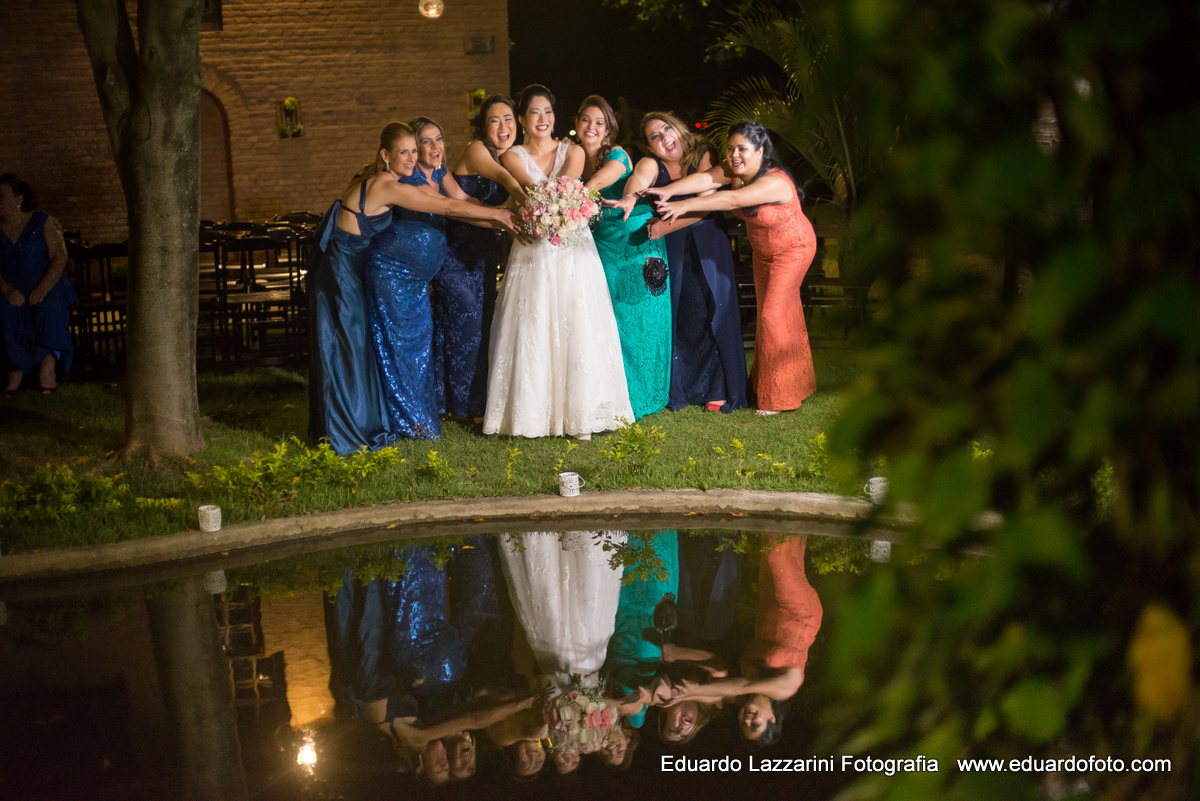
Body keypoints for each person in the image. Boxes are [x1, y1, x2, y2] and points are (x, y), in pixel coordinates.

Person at [484, 84, 634, 440]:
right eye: (534, 112)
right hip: (534, 246)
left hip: (574, 246)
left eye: (548, 112)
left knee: (578, 321)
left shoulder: (575, 151)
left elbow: (567, 183)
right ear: (522, 119)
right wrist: (550, 208)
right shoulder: (512, 157)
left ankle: (583, 412)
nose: (542, 119)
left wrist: (558, 206)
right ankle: (533, 415)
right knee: (534, 323)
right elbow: (530, 192)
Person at [644, 120, 816, 414]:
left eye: (743, 149)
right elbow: (704, 181)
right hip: (764, 252)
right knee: (779, 317)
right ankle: (797, 382)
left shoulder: (773, 182)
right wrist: (667, 191)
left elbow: (732, 198)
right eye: (731, 148)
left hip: (793, 249)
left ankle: (779, 399)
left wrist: (682, 206)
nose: (735, 155)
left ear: (761, 151)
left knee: (773, 316)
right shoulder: (735, 171)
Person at [362, 122, 520, 439]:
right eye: (424, 143)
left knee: (418, 347)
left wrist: (506, 213)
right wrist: (501, 218)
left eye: (439, 139)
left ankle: (421, 414)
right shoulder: (407, 178)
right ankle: (406, 421)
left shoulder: (439, 171)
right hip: (394, 274)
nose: (435, 147)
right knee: (402, 348)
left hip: (418, 279)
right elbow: (450, 207)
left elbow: (462, 200)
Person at [605, 112, 748, 414]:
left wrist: (666, 226)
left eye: (666, 129)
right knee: (683, 316)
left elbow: (706, 204)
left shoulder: (703, 151)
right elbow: (638, 180)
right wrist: (630, 198)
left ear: (678, 128)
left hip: (707, 242)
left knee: (712, 310)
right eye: (654, 137)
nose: (664, 138)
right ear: (650, 147)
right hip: (674, 249)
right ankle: (682, 389)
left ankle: (718, 388)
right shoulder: (651, 165)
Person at [666, 534, 823, 747]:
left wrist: (691, 694)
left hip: (769, 602)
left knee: (776, 548)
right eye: (755, 725)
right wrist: (695, 692)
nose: (747, 719)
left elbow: (729, 690)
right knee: (777, 553)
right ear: (772, 718)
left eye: (743, 724)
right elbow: (744, 686)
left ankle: (798, 506)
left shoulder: (752, 676)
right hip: (799, 613)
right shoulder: (786, 688)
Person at [577, 96, 670, 420]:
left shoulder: (617, 157)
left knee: (640, 320)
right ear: (576, 124)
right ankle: (616, 393)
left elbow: (598, 184)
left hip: (633, 241)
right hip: (601, 245)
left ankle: (646, 396)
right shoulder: (574, 160)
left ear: (609, 130)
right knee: (611, 321)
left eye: (599, 122)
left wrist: (565, 198)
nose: (592, 127)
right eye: (586, 120)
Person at [435, 95, 525, 423]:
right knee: (466, 321)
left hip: (485, 251)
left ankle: (473, 402)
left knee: (483, 324)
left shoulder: (515, 155)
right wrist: (530, 200)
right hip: (455, 249)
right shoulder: (477, 150)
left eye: (509, 119)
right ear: (483, 126)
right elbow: (505, 182)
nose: (503, 127)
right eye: (495, 120)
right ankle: (460, 405)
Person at [307, 155, 397, 454]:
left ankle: (359, 420)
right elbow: (443, 205)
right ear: (386, 154)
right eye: (405, 151)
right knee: (344, 344)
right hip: (339, 271)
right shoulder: (383, 182)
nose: (411, 157)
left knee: (355, 345)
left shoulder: (377, 179)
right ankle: (341, 430)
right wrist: (498, 215)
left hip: (349, 269)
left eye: (414, 150)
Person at [0, 173, 77, 396]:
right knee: (4, 312)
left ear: (18, 199)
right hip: (11, 288)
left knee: (47, 308)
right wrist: (6, 289)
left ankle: (47, 370)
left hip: (47, 284)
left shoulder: (43, 220)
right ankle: (14, 372)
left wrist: (43, 287)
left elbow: (59, 256)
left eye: (1, 196)